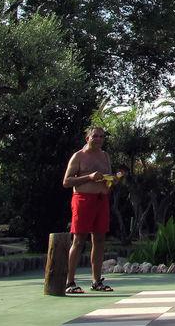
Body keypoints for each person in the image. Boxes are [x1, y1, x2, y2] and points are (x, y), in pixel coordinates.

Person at [62, 126, 114, 294]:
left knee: (99, 240)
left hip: (102, 200)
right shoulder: (78, 156)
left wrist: (112, 180)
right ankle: (69, 282)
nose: (98, 139)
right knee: (78, 240)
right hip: (83, 200)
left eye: (101, 136)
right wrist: (89, 177)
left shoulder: (105, 156)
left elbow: (108, 178)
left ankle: (96, 280)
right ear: (88, 138)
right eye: (95, 136)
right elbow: (67, 181)